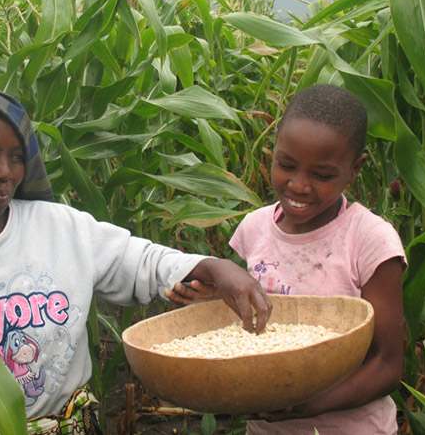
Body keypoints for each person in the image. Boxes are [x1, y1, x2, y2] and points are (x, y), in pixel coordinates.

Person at [0, 86, 271, 435]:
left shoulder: (59, 228)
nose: (4, 172)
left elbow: (138, 260)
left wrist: (213, 267)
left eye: (16, 157)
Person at [169, 84, 406, 435]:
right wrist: (215, 301)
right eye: (286, 165)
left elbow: (388, 365)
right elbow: (263, 313)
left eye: (322, 175)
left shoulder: (370, 240)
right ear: (275, 147)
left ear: (355, 170)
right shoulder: (255, 228)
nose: (298, 186)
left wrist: (309, 407)